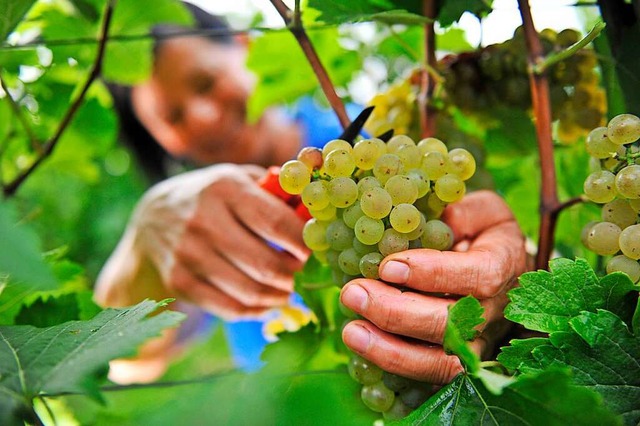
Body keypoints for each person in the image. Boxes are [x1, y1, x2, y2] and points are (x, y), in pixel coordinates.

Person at [95, 2, 528, 385]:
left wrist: (510, 298)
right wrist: (145, 244)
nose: (204, 116)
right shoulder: (199, 224)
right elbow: (123, 363)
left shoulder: (384, 158)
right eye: (173, 116)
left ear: (246, 46)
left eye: (206, 83)